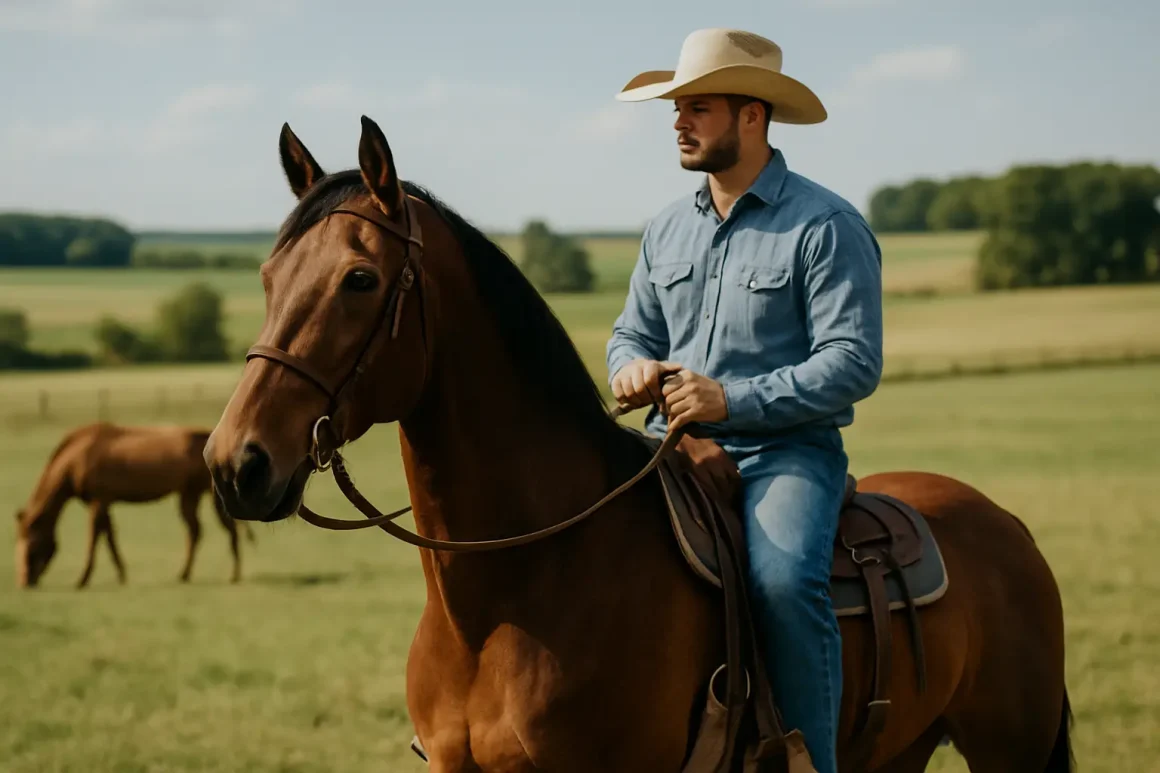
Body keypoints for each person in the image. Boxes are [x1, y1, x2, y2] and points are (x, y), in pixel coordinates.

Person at [605, 28, 884, 773]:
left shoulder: (825, 226)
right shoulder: (666, 229)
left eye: (697, 107)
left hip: (785, 454)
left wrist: (730, 400)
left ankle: (809, 761)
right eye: (676, 108)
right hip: (667, 449)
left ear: (752, 116)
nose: (678, 122)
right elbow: (630, 333)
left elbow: (853, 362)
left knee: (782, 584)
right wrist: (629, 368)